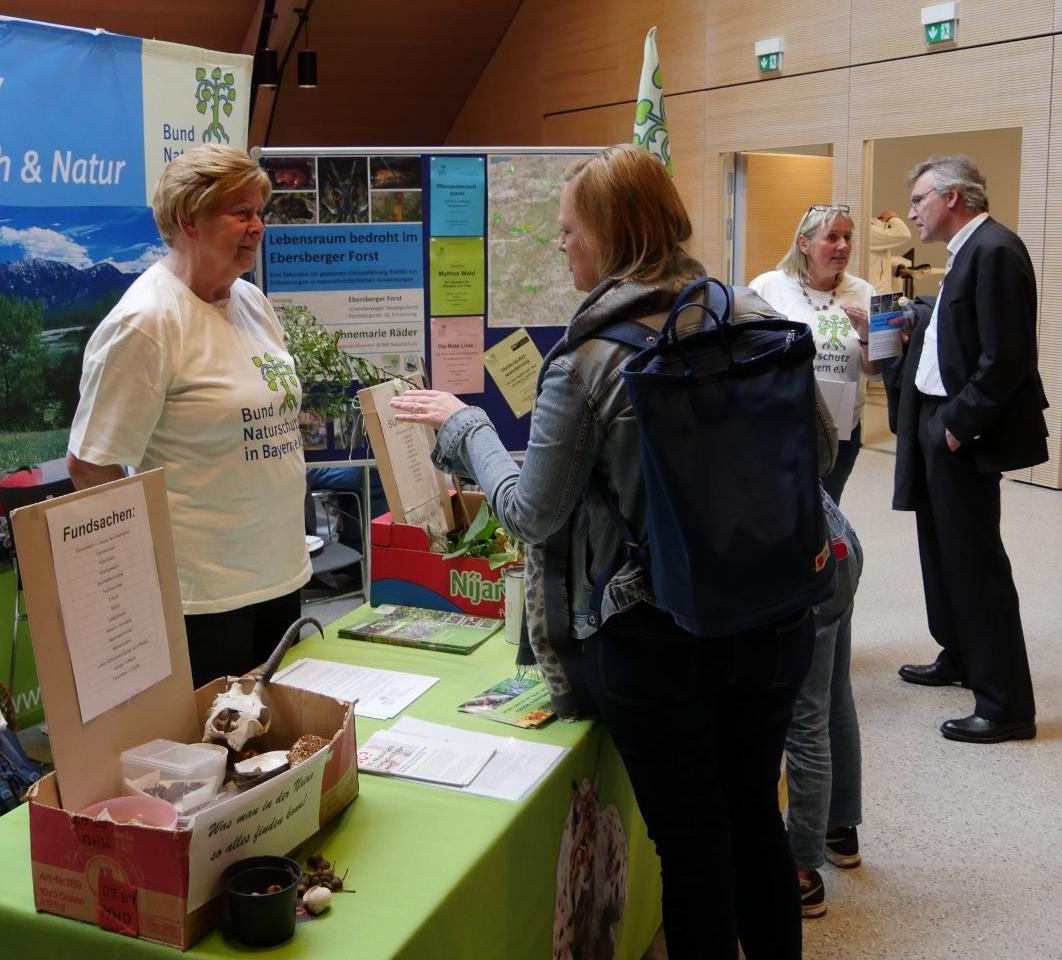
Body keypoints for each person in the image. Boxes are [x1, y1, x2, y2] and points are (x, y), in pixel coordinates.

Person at [387, 144, 830, 960]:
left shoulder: (589, 361)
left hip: (656, 638)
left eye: (567, 231)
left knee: (692, 848)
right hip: (772, 620)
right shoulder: (761, 322)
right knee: (752, 821)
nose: (559, 246)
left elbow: (530, 513)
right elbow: (820, 453)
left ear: (608, 235)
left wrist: (467, 426)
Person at [67, 145, 310, 687]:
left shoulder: (250, 301)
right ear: (188, 220)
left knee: (276, 744)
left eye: (259, 213)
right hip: (201, 597)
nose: (257, 227)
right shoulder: (146, 322)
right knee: (216, 757)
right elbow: (92, 464)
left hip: (278, 570)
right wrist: (135, 579)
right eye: (240, 212)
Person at [888, 154, 1048, 744]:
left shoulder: (997, 250)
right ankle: (959, 654)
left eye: (918, 201)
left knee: (975, 563)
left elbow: (1006, 357)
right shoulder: (967, 253)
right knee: (942, 550)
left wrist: (957, 425)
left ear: (953, 197)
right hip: (938, 418)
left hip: (962, 427)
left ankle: (1006, 705)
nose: (910, 214)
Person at [749, 205, 880, 503]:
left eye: (848, 237)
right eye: (832, 237)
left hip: (839, 428)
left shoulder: (864, 292)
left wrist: (866, 336)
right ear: (804, 244)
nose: (843, 246)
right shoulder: (767, 287)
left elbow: (875, 372)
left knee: (826, 514)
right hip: (779, 423)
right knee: (775, 511)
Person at [786, 489, 864, 919]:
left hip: (804, 558)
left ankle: (800, 871)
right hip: (834, 536)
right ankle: (839, 826)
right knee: (834, 694)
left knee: (806, 717)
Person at [867, 209, 912, 294]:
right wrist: (892, 217)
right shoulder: (868, 232)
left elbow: (875, 262)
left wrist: (896, 269)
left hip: (881, 294)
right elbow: (904, 234)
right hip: (874, 294)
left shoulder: (875, 236)